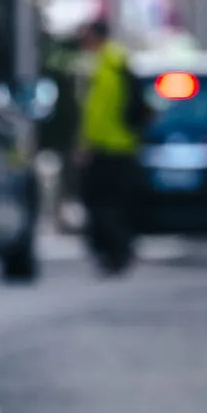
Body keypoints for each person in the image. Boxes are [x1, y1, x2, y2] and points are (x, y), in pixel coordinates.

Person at [76, 19, 144, 274]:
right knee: (113, 203)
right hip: (122, 146)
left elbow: (99, 113)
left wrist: (87, 144)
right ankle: (117, 252)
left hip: (108, 147)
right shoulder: (117, 61)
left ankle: (116, 252)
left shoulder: (107, 66)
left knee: (102, 204)